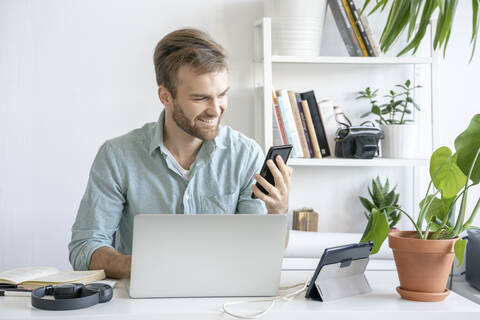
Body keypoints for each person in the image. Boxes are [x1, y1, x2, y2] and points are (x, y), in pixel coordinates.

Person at [68, 28, 293, 279]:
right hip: (141, 303)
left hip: (224, 301)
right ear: (166, 96)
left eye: (222, 95)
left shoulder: (245, 155)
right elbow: (84, 249)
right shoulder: (117, 156)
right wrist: (145, 266)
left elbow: (260, 254)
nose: (216, 109)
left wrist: (278, 214)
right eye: (200, 98)